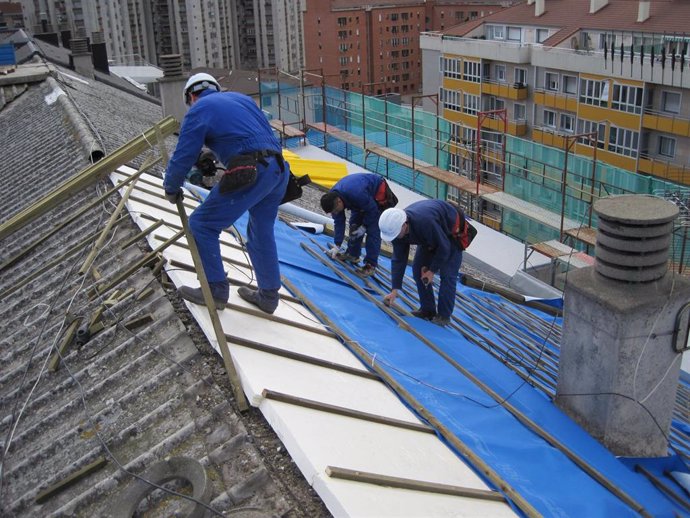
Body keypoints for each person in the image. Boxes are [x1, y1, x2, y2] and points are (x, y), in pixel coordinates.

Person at [163, 72, 289, 314]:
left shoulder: (199, 109)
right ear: (215, 88)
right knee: (261, 230)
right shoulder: (242, 99)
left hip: (252, 169)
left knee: (202, 223)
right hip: (279, 170)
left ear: (191, 96)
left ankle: (216, 290)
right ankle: (269, 296)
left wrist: (171, 186)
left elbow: (184, 155)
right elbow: (247, 134)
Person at [379, 200, 466, 326]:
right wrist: (394, 290)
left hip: (451, 238)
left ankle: (443, 316)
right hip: (429, 237)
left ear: (404, 225)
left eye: (396, 234)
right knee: (417, 269)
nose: (396, 238)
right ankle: (428, 310)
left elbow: (444, 248)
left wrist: (432, 270)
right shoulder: (397, 231)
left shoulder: (425, 222)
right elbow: (399, 259)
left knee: (447, 276)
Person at [320, 173, 397, 277]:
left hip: (376, 196)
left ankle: (370, 265)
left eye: (335, 210)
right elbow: (339, 222)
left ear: (339, 202)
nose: (336, 213)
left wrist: (364, 226)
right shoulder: (333, 199)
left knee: (373, 230)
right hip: (360, 199)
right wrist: (337, 245)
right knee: (354, 225)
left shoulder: (356, 193)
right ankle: (353, 254)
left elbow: (372, 210)